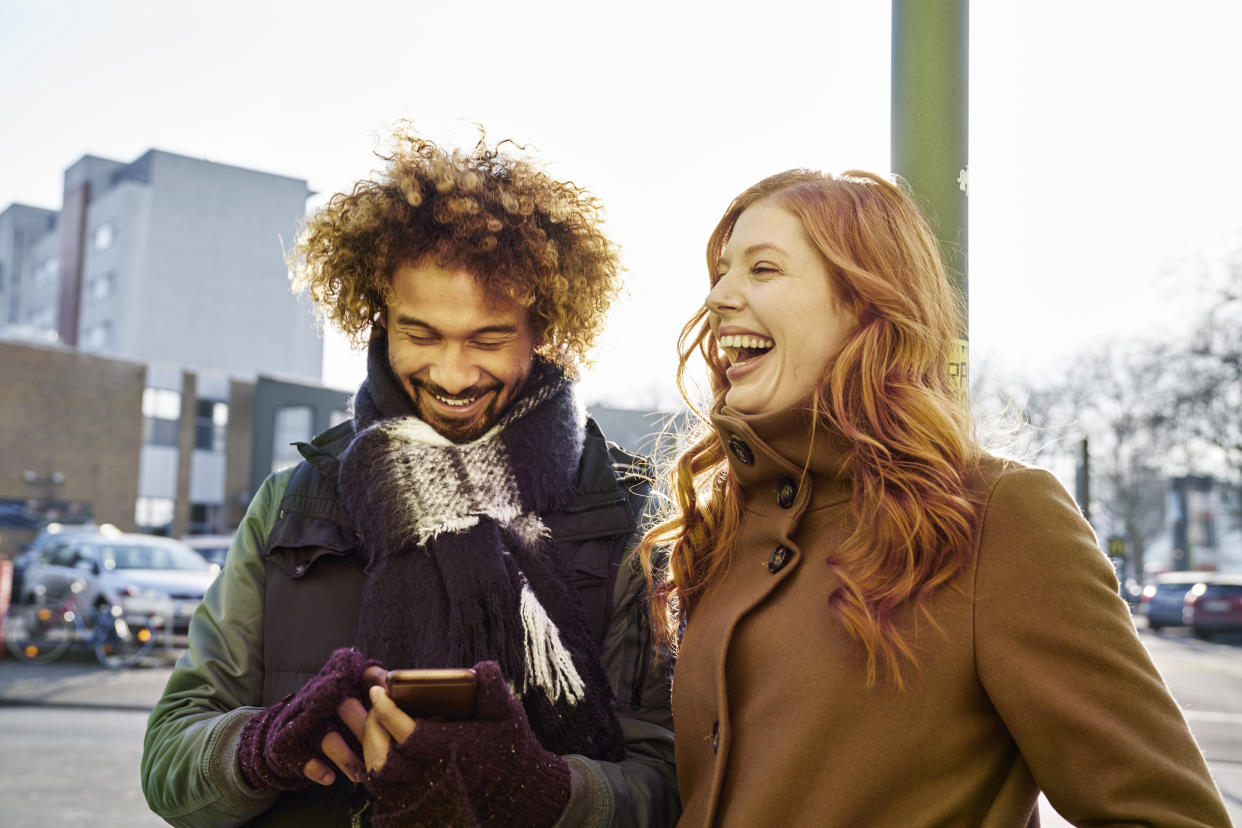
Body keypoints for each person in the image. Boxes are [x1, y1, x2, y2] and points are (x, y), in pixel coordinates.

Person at [639, 169, 1231, 826]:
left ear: (864, 302)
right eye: (720, 273)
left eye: (763, 269)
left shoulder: (1000, 517)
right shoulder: (720, 527)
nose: (718, 298)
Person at [141, 128, 679, 827]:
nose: (453, 376)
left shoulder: (627, 521)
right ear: (378, 321)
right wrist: (258, 749)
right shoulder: (291, 506)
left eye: (487, 338)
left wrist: (547, 791)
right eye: (421, 334)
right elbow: (167, 762)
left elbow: (669, 786)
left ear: (543, 329)